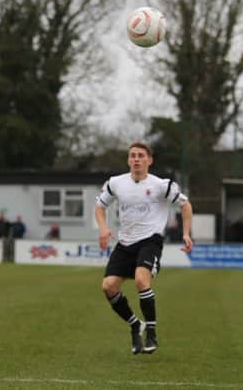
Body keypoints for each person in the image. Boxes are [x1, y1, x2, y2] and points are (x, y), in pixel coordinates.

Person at [95, 141, 193, 355]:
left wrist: (186, 233)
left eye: (141, 155)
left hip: (150, 241)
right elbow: (100, 207)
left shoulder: (161, 185)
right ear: (128, 160)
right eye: (132, 155)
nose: (136, 159)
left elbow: (185, 205)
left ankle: (151, 331)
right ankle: (134, 324)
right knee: (108, 286)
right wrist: (103, 229)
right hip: (125, 243)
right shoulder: (115, 183)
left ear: (150, 160)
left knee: (141, 279)